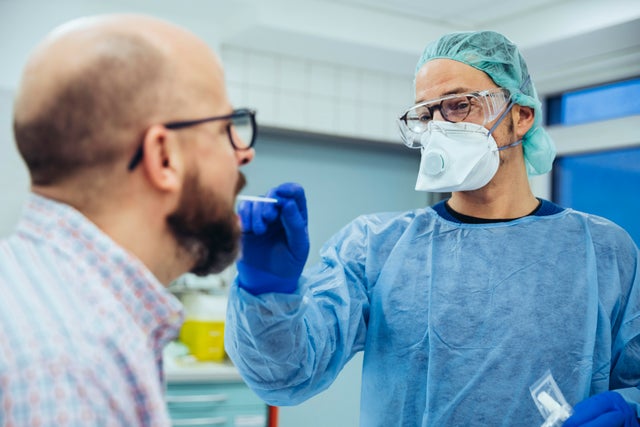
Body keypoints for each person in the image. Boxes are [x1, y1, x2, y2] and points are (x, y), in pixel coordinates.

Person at [224, 31, 640, 426]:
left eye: (459, 104)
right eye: (425, 113)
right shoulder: (376, 248)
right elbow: (287, 375)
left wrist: (633, 410)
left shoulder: (602, 250)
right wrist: (267, 291)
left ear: (522, 115)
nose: (440, 126)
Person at [0, 14, 256, 426]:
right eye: (226, 128)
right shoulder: (72, 369)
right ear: (164, 157)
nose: (244, 152)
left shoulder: (29, 287)